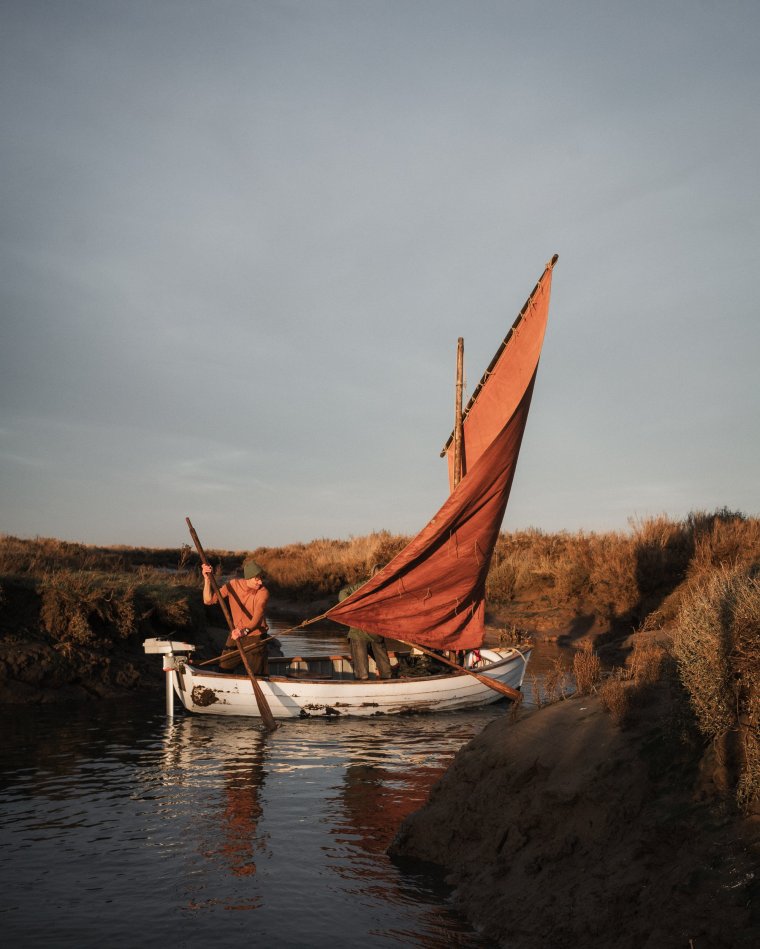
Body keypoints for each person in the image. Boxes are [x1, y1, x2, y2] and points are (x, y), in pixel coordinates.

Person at [202, 558, 270, 675]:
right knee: (223, 669)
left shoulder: (263, 592)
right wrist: (207, 579)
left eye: (261, 579)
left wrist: (244, 631)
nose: (260, 582)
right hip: (236, 635)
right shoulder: (233, 585)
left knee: (258, 676)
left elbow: (257, 618)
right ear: (248, 577)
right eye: (257, 579)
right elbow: (208, 600)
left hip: (256, 637)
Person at [338, 565, 391, 680]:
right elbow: (343, 593)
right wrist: (353, 608)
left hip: (377, 635)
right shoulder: (364, 586)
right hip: (359, 634)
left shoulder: (388, 589)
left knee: (387, 673)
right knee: (362, 675)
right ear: (373, 575)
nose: (381, 577)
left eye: (383, 574)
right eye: (378, 574)